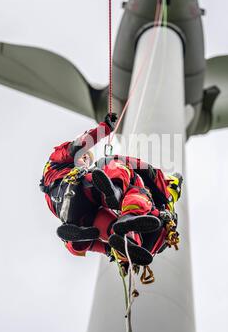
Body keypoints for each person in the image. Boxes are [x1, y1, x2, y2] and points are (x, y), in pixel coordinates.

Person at [40, 113, 161, 265]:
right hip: (79, 189)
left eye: (88, 159)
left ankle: (121, 246)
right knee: (127, 176)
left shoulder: (49, 193)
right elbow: (80, 143)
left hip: (78, 216)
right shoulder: (58, 160)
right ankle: (118, 196)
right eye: (84, 157)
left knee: (113, 230)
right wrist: (105, 128)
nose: (86, 161)